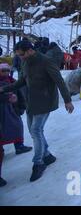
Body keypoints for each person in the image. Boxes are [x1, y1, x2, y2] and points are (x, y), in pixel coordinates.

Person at [0, 40, 74, 182]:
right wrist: (4, 88)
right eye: (18, 55)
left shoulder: (46, 61)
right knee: (34, 131)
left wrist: (67, 100)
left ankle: (38, 163)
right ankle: (47, 155)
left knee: (36, 130)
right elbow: (21, 81)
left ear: (29, 50)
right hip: (31, 102)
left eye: (21, 54)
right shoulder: (25, 62)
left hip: (45, 102)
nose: (20, 57)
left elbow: (59, 81)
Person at [0, 63, 32, 155]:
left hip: (13, 110)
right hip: (2, 111)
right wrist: (7, 98)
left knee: (17, 127)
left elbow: (20, 94)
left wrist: (22, 107)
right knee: (2, 131)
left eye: (7, 70)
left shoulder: (13, 81)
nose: (6, 73)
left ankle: (19, 146)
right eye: (3, 71)